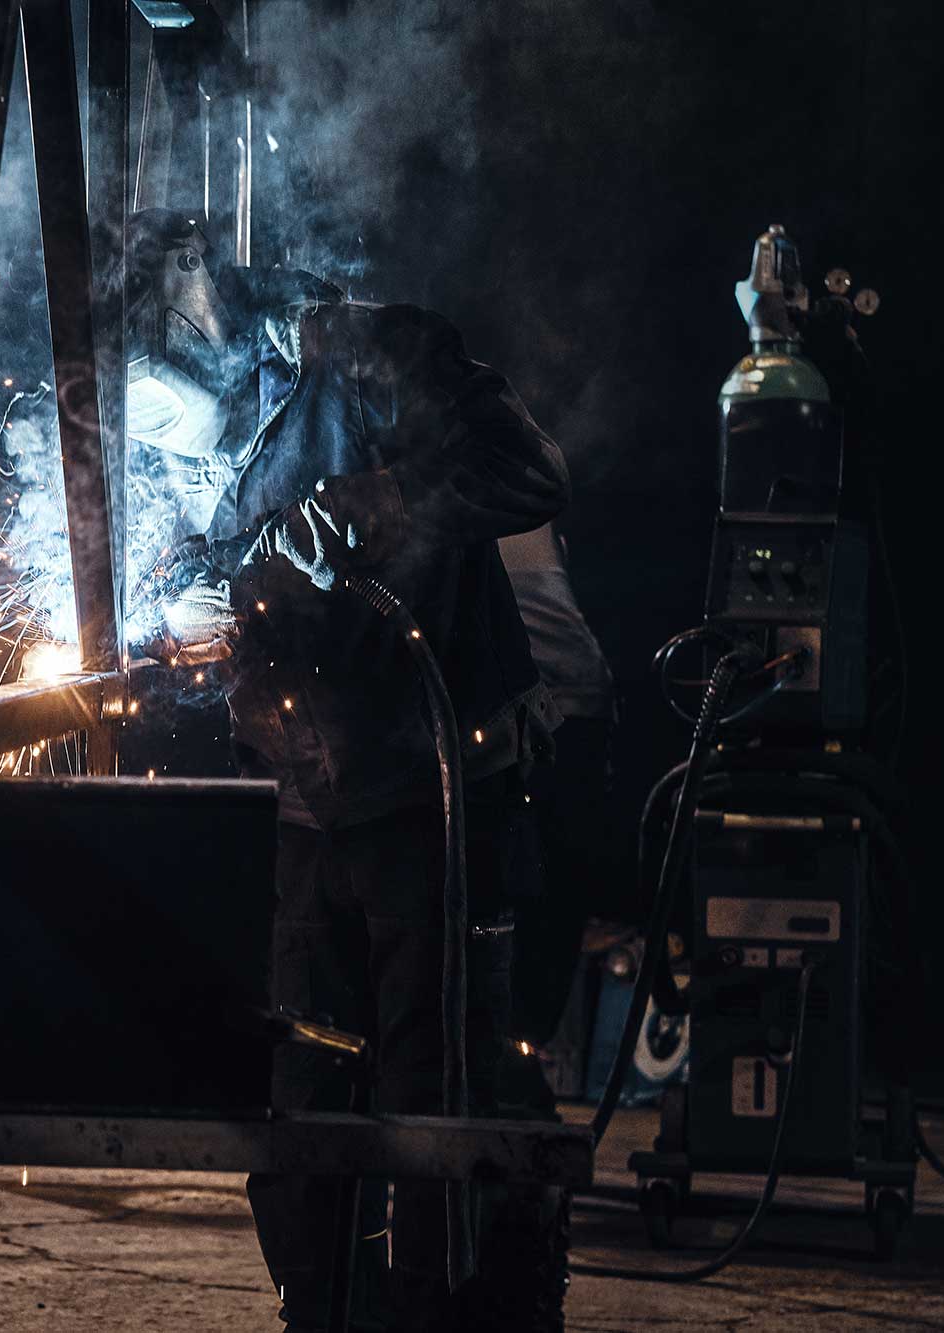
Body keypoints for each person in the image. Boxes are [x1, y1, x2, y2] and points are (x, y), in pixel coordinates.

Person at [124, 208, 569, 1331]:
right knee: (304, 1101)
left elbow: (524, 468)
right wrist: (190, 610)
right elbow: (216, 577)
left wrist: (364, 511)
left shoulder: (360, 352)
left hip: (439, 796)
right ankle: (314, 1316)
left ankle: (442, 1316)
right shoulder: (182, 436)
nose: (162, 440)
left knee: (435, 1098)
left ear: (192, 279)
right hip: (307, 810)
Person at [496, 522, 619, 1115]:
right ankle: (515, 1064)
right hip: (580, 706)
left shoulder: (442, 491)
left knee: (526, 899)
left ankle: (512, 1067)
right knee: (549, 896)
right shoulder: (526, 490)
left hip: (547, 716)